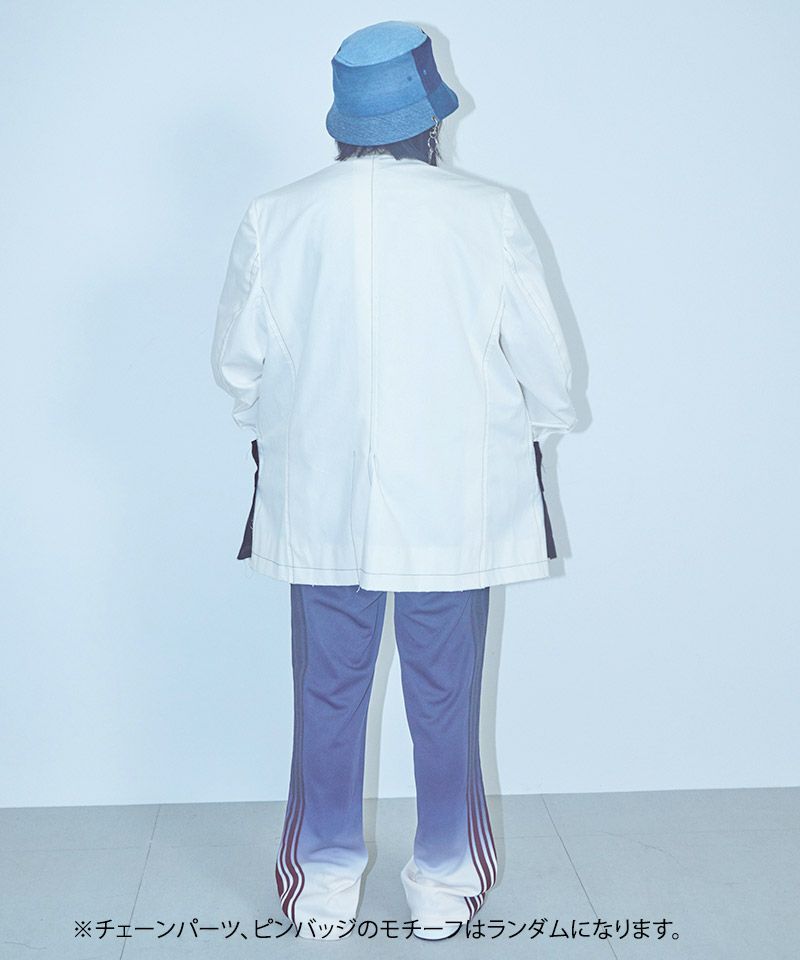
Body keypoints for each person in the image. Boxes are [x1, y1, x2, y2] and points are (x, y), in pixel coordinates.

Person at [211, 20, 577, 941]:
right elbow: (548, 368)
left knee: (327, 694)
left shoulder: (277, 215)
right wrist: (536, 430)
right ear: (429, 121)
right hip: (453, 507)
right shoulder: (487, 213)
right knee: (445, 696)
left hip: (322, 501)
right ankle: (444, 890)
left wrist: (282, 427)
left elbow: (237, 368)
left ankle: (322, 893)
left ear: (344, 122)